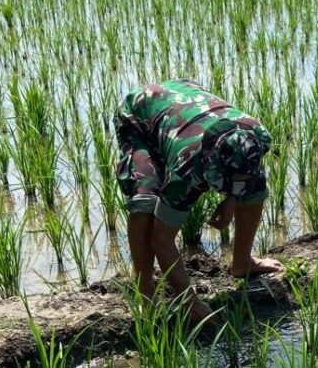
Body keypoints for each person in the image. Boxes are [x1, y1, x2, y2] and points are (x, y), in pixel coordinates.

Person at [114, 79, 284, 322]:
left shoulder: (256, 135)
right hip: (140, 114)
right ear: (211, 164)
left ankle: (242, 262)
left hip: (186, 103)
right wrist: (189, 300)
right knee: (145, 202)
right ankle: (146, 295)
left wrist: (232, 198)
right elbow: (161, 240)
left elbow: (243, 175)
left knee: (255, 186)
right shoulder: (187, 166)